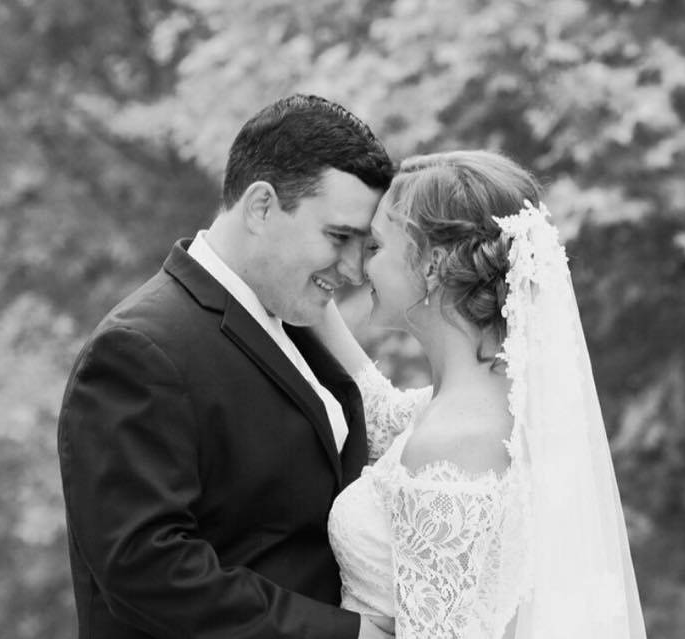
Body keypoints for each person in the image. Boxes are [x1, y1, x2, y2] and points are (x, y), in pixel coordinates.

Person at [57, 95, 395, 638]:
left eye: (365, 244)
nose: (356, 269)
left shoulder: (299, 321)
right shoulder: (139, 350)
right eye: (339, 237)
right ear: (261, 206)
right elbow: (147, 567)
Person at [316, 150, 648, 638]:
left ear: (430, 265)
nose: (359, 267)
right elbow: (382, 412)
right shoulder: (486, 402)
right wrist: (297, 282)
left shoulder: (456, 438)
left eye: (375, 248)